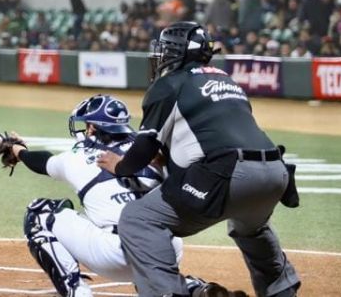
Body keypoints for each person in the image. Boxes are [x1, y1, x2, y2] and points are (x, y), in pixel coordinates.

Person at [97, 22, 300, 297]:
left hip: (227, 173)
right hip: (276, 173)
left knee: (137, 218)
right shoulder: (227, 81)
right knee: (251, 227)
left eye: (166, 49)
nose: (162, 56)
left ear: (178, 52)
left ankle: (170, 293)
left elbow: (144, 147)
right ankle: (282, 290)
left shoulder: (168, 84)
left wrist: (120, 166)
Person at [2, 95, 229, 297]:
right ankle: (191, 288)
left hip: (114, 254)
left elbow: (41, 162)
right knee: (151, 273)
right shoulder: (153, 153)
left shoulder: (78, 157)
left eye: (87, 125)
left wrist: (18, 150)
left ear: (93, 128)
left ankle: (76, 291)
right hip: (167, 248)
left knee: (39, 211)